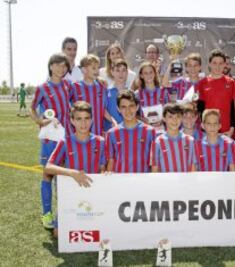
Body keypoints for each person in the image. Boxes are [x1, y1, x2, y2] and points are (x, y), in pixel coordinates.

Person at [45, 101, 106, 237]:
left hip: (92, 194)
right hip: (70, 196)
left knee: (98, 232)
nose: (83, 123)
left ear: (92, 120)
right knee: (58, 234)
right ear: (72, 121)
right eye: (79, 119)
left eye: (86, 119)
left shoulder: (100, 141)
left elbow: (102, 167)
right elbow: (48, 167)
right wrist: (72, 173)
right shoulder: (65, 142)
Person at [30, 53, 72, 230]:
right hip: (49, 138)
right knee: (48, 174)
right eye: (58, 65)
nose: (61, 69)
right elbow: (32, 108)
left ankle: (62, 213)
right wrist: (40, 121)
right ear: (51, 66)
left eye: (64, 66)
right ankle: (46, 214)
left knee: (61, 176)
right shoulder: (42, 88)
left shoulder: (68, 85)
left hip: (65, 137)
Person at [105, 90, 156, 172]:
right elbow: (111, 161)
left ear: (137, 107)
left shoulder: (150, 131)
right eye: (123, 107)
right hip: (120, 182)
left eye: (131, 106)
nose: (128, 111)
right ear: (118, 109)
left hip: (143, 182)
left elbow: (154, 162)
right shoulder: (111, 133)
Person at [70, 54, 116, 136]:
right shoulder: (74, 87)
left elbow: (103, 109)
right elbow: (68, 109)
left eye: (98, 68)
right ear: (84, 70)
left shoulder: (102, 87)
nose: (97, 71)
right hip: (80, 135)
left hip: (97, 134)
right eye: (93, 68)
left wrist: (113, 121)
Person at [196, 49, 235, 137]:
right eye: (214, 63)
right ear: (209, 64)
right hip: (208, 132)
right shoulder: (202, 83)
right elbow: (201, 109)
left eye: (221, 63)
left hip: (226, 131)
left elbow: (233, 108)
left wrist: (232, 128)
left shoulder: (231, 82)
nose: (217, 66)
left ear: (225, 64)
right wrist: (204, 129)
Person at [151, 103, 196, 172]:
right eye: (170, 116)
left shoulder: (190, 140)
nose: (174, 120)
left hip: (185, 182)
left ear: (182, 118)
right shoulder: (157, 142)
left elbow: (193, 167)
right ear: (164, 118)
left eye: (178, 116)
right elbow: (155, 170)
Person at [103, 58, 129, 132]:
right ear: (112, 72)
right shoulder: (106, 92)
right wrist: (112, 121)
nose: (121, 74)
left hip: (127, 132)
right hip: (111, 132)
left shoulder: (131, 93)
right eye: (117, 70)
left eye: (123, 70)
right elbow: (103, 110)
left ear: (127, 72)